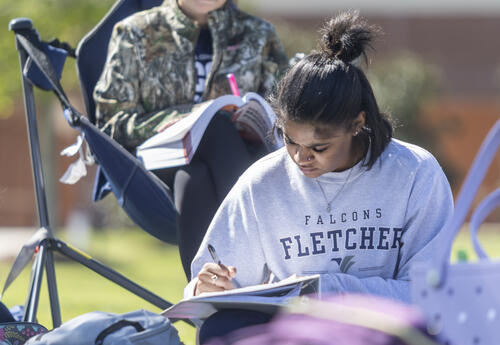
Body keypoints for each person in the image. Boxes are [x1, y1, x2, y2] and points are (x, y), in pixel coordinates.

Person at [186, 11, 454, 343]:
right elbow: (216, 294)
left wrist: (327, 289)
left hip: (381, 331)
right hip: (300, 332)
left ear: (357, 124)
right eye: (289, 141)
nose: (300, 158)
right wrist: (206, 286)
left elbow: (430, 296)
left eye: (319, 146)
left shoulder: (415, 172)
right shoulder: (262, 182)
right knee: (218, 329)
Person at [93, 0, 288, 278]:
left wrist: (254, 121)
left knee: (195, 176)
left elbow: (284, 112)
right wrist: (184, 117)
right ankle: (269, 255)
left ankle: (206, 296)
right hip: (158, 166)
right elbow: (110, 124)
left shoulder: (258, 34)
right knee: (216, 127)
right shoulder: (136, 32)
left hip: (233, 158)